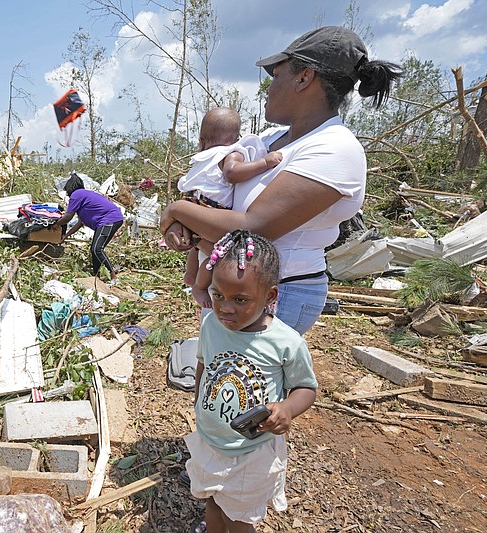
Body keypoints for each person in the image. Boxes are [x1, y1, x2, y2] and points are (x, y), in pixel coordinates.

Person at [161, 26, 403, 334]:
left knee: (250, 380)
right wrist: (186, 226)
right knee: (219, 373)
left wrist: (176, 211)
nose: (268, 88)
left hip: (277, 291)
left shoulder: (334, 148)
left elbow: (255, 227)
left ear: (304, 77)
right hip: (232, 286)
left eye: (276, 76)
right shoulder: (270, 139)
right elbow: (216, 194)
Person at [186, 229, 317, 533]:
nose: (225, 308)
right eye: (217, 295)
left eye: (240, 299)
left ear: (270, 296)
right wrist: (199, 405)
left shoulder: (285, 342)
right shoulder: (210, 324)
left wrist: (287, 408)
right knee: (213, 501)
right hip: (210, 439)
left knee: (239, 518)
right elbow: (203, 366)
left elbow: (306, 388)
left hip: (251, 450)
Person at [177, 107, 282, 308]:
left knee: (197, 243)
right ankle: (199, 285)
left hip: (191, 206)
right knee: (219, 254)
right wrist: (264, 163)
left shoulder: (203, 157)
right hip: (209, 209)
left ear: (201, 141)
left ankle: (190, 274)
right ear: (236, 139)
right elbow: (232, 174)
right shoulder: (230, 153)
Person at [54, 173, 124, 284]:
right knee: (95, 249)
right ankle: (96, 276)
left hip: (109, 220)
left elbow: (68, 217)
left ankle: (113, 277)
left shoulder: (76, 195)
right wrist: (66, 236)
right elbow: (79, 223)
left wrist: (56, 224)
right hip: (109, 220)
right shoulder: (83, 196)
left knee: (97, 249)